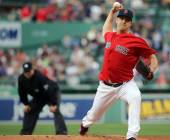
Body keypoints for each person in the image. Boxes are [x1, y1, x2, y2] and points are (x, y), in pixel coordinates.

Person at [79, 3, 158, 140]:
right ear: (117, 20)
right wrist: (111, 11)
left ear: (130, 23)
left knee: (135, 96)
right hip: (105, 86)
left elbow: (152, 57)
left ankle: (132, 136)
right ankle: (84, 125)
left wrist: (152, 69)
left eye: (127, 20)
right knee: (94, 116)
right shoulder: (110, 36)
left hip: (125, 84)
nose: (124, 21)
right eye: (121, 18)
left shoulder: (136, 41)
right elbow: (106, 28)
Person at [18, 62, 68, 135]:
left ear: (33, 70)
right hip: (39, 97)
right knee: (29, 110)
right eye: (26, 72)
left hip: (52, 93)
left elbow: (50, 90)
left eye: (29, 71)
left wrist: (53, 104)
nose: (27, 73)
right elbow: (22, 92)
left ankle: (62, 133)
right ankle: (26, 133)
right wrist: (26, 104)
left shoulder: (39, 77)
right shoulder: (21, 79)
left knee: (55, 110)